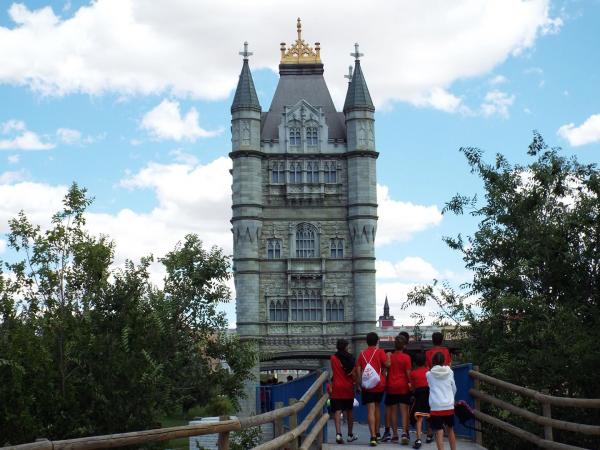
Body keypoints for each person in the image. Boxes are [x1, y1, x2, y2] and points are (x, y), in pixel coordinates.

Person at [356, 332, 390, 447]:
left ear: (367, 341)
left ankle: (373, 437)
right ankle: (377, 432)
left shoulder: (362, 354)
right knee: (377, 408)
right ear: (377, 341)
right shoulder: (380, 352)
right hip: (379, 384)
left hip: (367, 385)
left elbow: (358, 369)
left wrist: (360, 383)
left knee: (370, 410)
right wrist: (389, 357)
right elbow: (387, 364)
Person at [383, 335, 412, 444]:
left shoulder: (390, 357)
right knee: (404, 410)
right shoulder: (406, 357)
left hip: (391, 386)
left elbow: (386, 371)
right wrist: (411, 383)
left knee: (393, 411)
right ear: (404, 346)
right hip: (403, 386)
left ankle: (394, 434)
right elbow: (408, 373)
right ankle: (404, 433)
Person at [427, 352, 457, 450]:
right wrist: (451, 398)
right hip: (448, 405)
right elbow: (454, 388)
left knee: (439, 431)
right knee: (450, 430)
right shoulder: (450, 372)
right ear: (444, 361)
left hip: (436, 406)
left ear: (433, 361)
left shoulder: (429, 374)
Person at [330, 339, 358, 444]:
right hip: (348, 388)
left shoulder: (333, 358)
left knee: (337, 411)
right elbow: (354, 373)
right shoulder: (351, 358)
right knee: (349, 411)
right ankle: (350, 434)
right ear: (346, 347)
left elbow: (334, 371)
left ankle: (338, 434)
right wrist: (357, 384)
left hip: (337, 387)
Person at [409, 352, 431, 449]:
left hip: (419, 395)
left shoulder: (413, 373)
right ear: (425, 361)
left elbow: (413, 388)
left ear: (415, 363)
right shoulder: (428, 371)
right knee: (429, 415)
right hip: (429, 394)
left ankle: (418, 439)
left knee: (419, 418)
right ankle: (430, 435)